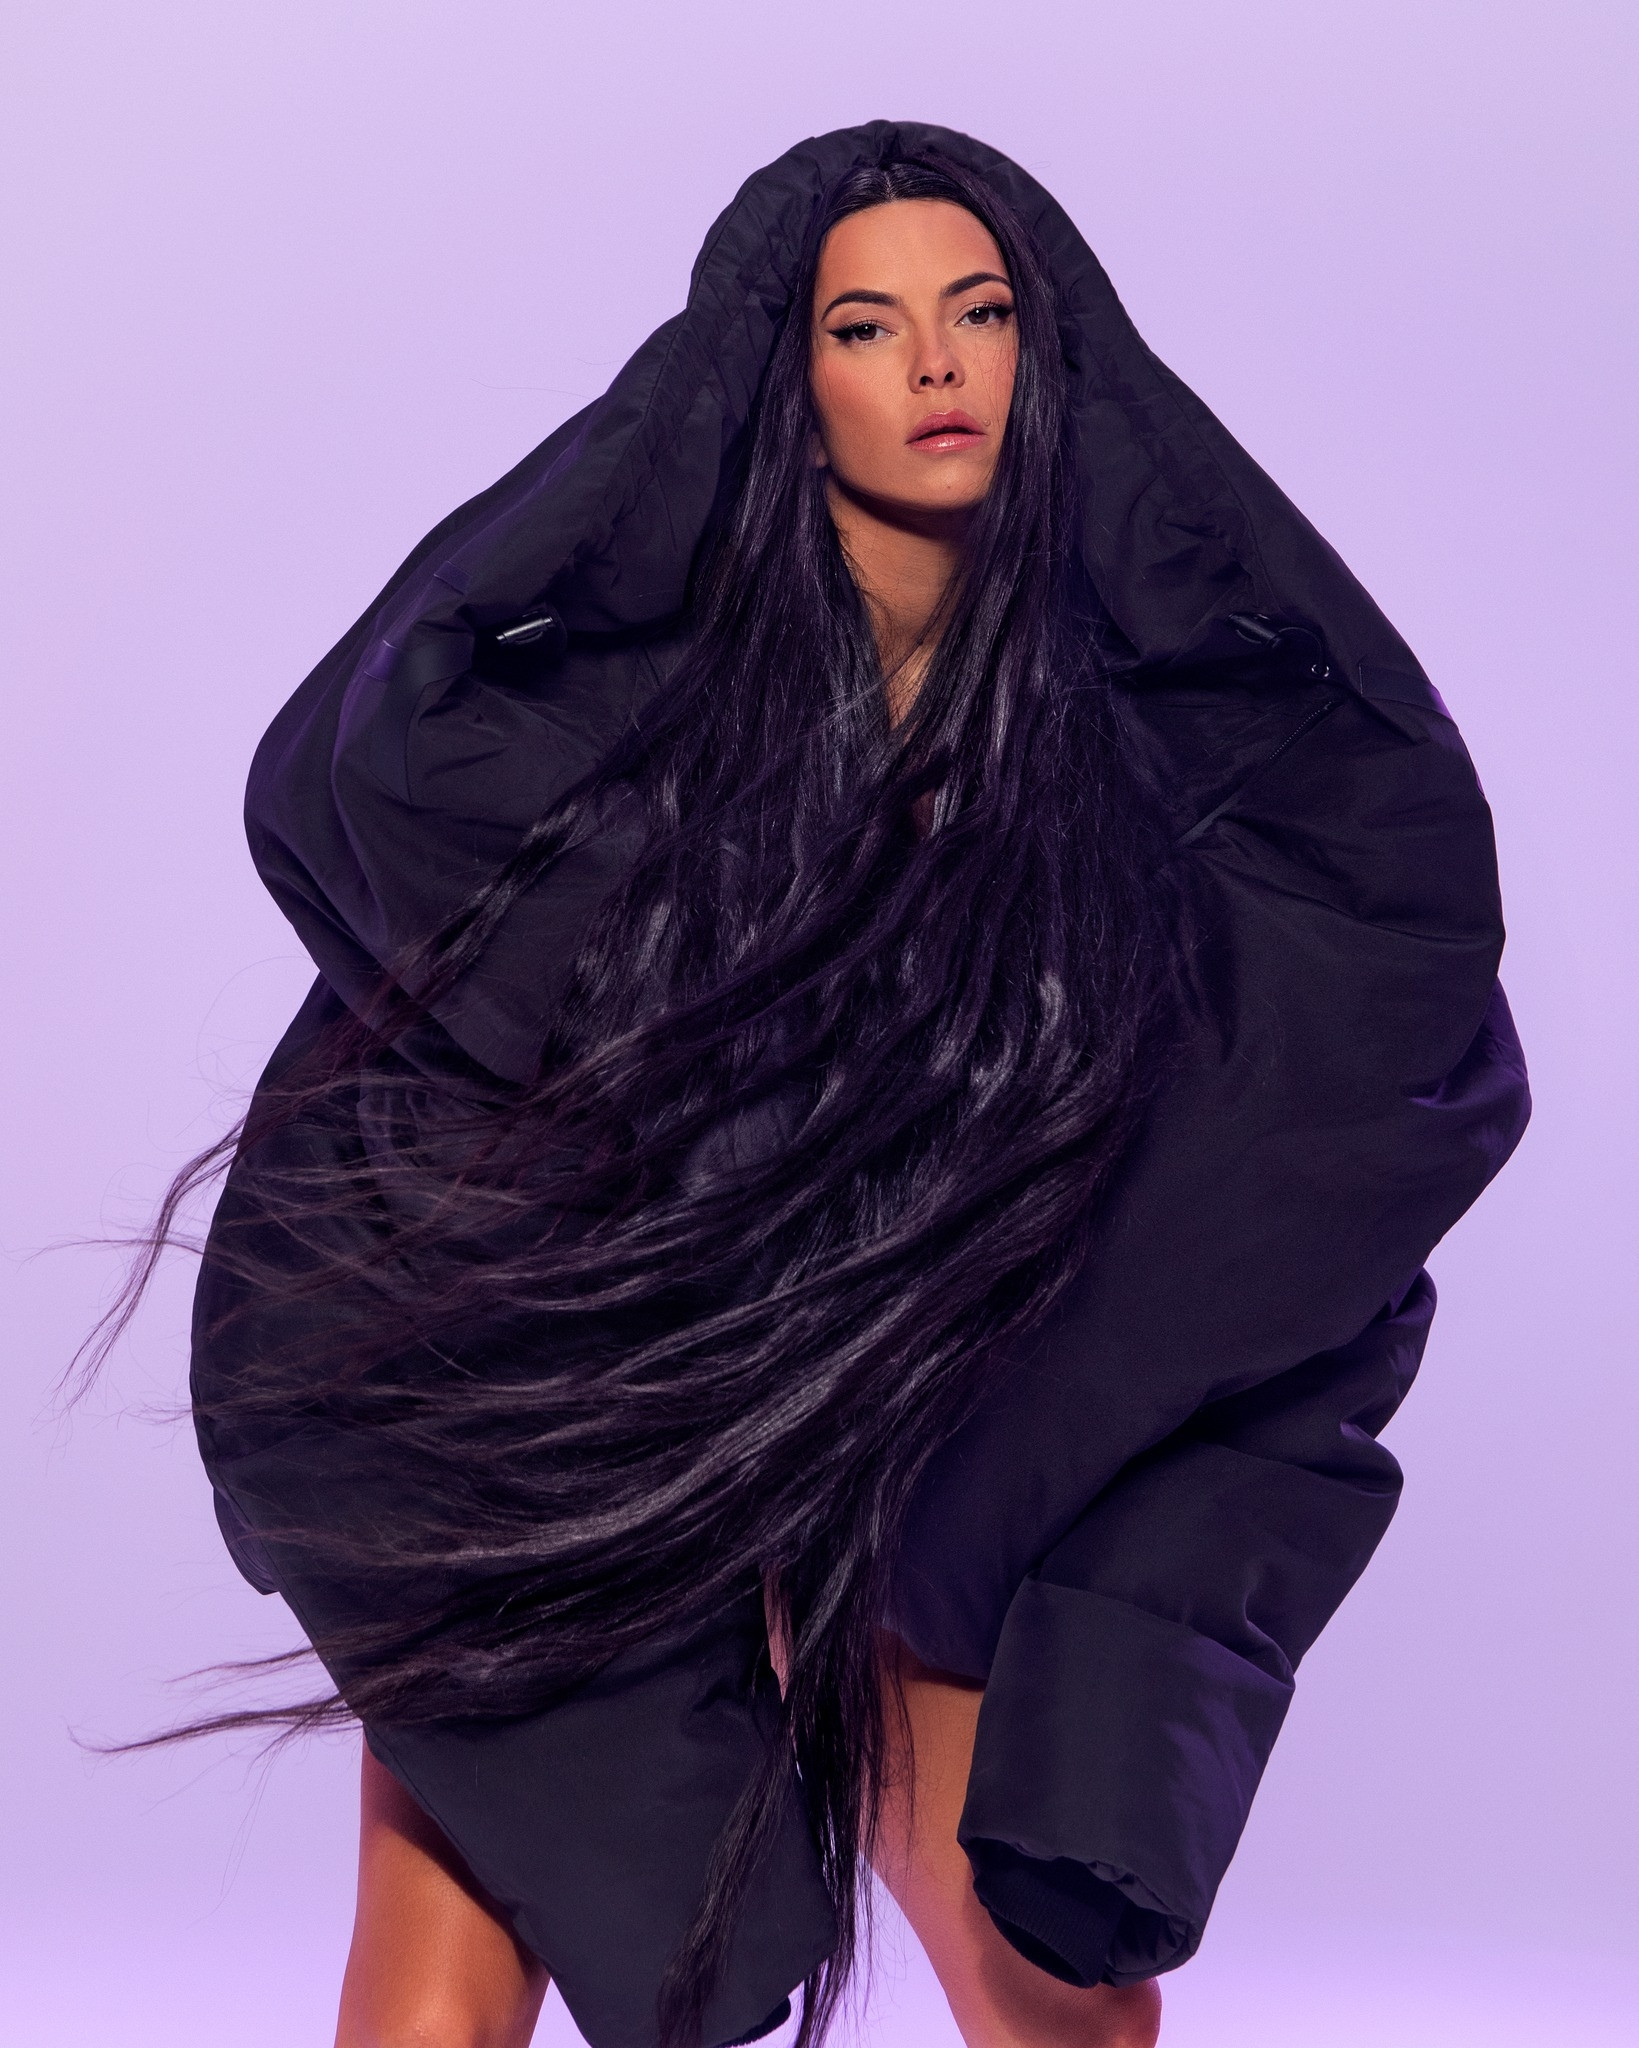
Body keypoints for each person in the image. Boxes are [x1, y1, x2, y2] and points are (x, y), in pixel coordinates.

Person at [173, 122, 1528, 2048]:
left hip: (915, 1458)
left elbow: (1330, 1031)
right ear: (786, 382)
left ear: (1048, 350)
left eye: (982, 313)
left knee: (1064, 2000)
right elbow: (387, 821)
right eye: (868, 326)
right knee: (438, 1990)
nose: (937, 363)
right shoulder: (646, 710)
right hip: (595, 1434)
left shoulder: (1140, 740)